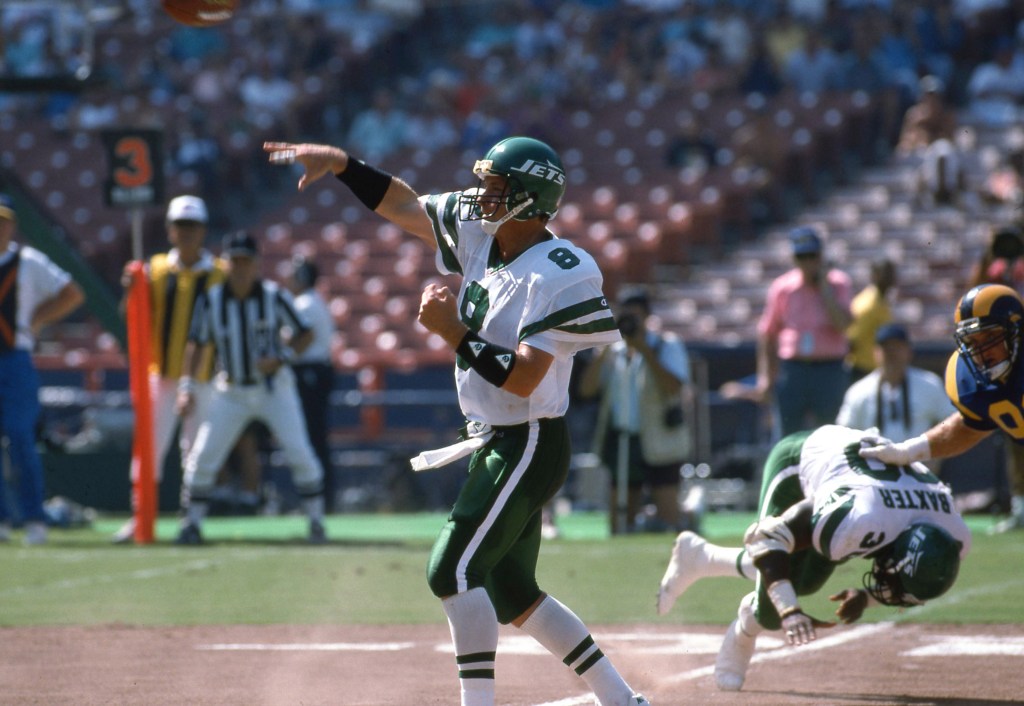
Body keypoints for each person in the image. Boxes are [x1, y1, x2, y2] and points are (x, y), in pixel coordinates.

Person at [264, 136, 650, 706]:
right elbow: (405, 206)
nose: (480, 195)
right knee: (515, 594)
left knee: (451, 572)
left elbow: (524, 378)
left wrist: (454, 333)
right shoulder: (481, 236)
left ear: (531, 199)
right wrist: (345, 166)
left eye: (496, 188)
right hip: (503, 440)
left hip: (529, 440)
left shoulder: (560, 270)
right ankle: (621, 700)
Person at [657, 424, 970, 692]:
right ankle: (744, 630)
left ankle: (701, 557)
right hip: (797, 465)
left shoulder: (952, 535)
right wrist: (789, 610)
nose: (895, 597)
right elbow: (765, 538)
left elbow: (913, 583)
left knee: (807, 581)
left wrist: (868, 598)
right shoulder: (860, 521)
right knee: (774, 606)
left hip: (852, 483)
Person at [175, 230, 326, 545]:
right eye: (235, 261)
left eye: (246, 261)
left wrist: (281, 357)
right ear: (226, 264)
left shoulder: (274, 296)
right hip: (230, 390)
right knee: (203, 457)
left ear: (257, 264)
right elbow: (197, 344)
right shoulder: (212, 300)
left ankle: (315, 521)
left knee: (300, 453)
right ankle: (191, 524)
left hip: (274, 389)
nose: (240, 268)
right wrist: (186, 385)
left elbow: (306, 334)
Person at [859, 283, 1024, 531]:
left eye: (989, 338)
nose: (981, 351)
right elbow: (971, 425)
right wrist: (908, 451)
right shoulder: (969, 378)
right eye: (972, 341)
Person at [113, 195, 228, 543]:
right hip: (161, 375)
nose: (187, 233)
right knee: (149, 449)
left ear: (204, 230)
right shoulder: (156, 269)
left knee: (197, 452)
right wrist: (130, 291)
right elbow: (129, 316)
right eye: (181, 226)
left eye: (192, 226)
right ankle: (141, 517)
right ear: (170, 230)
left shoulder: (220, 273)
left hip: (206, 377)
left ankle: (191, 520)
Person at [0, 193, 84, 545]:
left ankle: (34, 518)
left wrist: (37, 320)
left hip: (15, 359)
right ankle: (3, 519)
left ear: (13, 226)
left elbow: (72, 293)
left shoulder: (28, 261)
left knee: (20, 438)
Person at [577, 286, 694, 534]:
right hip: (622, 439)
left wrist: (643, 349)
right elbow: (586, 390)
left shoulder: (667, 345)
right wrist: (607, 344)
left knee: (668, 515)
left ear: (647, 316)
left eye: (635, 314)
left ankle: (689, 520)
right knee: (620, 519)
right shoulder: (612, 351)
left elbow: (674, 389)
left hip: (659, 438)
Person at [754, 226, 853, 439]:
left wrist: (824, 289)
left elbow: (843, 325)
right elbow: (768, 334)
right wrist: (765, 376)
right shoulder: (782, 287)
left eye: (812, 256)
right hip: (793, 370)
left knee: (830, 436)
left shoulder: (839, 283)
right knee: (789, 436)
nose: (808, 263)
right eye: (802, 257)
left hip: (829, 369)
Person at [966, 227, 1024, 531]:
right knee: (1016, 433)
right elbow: (974, 295)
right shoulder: (998, 271)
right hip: (1012, 363)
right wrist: (991, 253)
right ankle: (1020, 505)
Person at [836, 323, 951, 473]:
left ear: (908, 351)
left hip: (920, 471)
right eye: (886, 348)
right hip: (873, 474)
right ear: (875, 352)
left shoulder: (929, 384)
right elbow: (843, 434)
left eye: (897, 347)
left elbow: (949, 422)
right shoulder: (859, 392)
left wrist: (935, 455)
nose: (891, 353)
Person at [285, 254, 337, 512]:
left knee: (310, 437)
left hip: (308, 373)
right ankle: (322, 496)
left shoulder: (303, 304)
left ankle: (317, 496)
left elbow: (294, 340)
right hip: (319, 371)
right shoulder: (316, 302)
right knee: (316, 436)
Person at [845, 257, 896, 382]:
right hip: (861, 370)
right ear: (874, 275)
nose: (889, 277)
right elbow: (851, 341)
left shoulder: (881, 301)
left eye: (891, 273)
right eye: (884, 273)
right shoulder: (867, 305)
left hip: (875, 369)